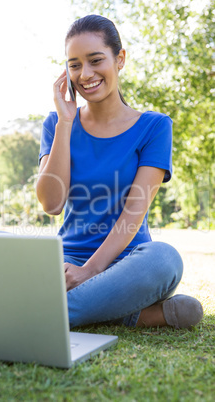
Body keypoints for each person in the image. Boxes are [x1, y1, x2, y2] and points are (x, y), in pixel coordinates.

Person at [36, 15, 203, 329]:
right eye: (74, 65)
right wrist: (65, 123)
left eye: (95, 60)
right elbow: (51, 205)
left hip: (128, 266)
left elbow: (132, 216)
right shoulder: (57, 124)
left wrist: (91, 271)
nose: (85, 74)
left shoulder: (154, 127)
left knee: (165, 258)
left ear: (120, 59)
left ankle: (42, 312)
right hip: (65, 263)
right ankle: (135, 315)